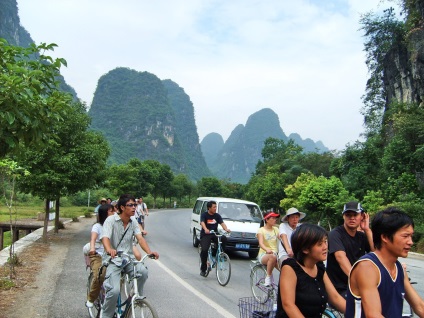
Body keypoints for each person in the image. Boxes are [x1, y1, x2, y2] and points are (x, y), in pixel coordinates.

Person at [346, 207, 424, 317]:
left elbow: (420, 306)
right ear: (385, 237)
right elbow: (373, 315)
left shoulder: (399, 268)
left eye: (411, 236)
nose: (410, 242)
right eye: (405, 236)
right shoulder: (367, 267)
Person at [100, 194, 159, 318]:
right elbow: (105, 237)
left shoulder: (133, 222)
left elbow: (140, 239)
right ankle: (105, 315)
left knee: (142, 271)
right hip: (113, 260)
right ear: (122, 207)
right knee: (114, 291)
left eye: (135, 205)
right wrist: (109, 249)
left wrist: (149, 252)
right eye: (130, 205)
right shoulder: (111, 220)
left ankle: (136, 297)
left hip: (128, 259)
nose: (134, 207)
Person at [276, 224, 346, 317]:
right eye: (320, 244)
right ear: (305, 249)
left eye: (325, 241)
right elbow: (289, 305)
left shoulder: (319, 267)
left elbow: (335, 298)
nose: (325, 247)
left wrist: (358, 314)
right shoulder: (290, 267)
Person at [326, 201, 374, 297]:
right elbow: (340, 257)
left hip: (357, 285)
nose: (352, 218)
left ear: (362, 216)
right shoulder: (335, 234)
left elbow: (375, 254)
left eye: (355, 215)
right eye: (348, 215)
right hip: (339, 288)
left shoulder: (361, 236)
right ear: (343, 216)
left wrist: (367, 230)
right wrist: (356, 279)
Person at [85, 204, 114, 308]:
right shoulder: (97, 226)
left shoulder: (114, 225)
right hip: (98, 255)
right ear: (105, 213)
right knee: (100, 275)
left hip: (111, 255)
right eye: (111, 211)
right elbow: (92, 239)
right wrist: (92, 249)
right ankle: (91, 298)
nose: (114, 213)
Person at [199, 200, 231, 277]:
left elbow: (222, 223)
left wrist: (226, 229)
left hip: (214, 233)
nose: (215, 208)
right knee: (204, 250)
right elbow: (202, 222)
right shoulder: (204, 215)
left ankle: (221, 254)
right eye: (214, 207)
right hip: (206, 234)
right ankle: (203, 269)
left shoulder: (217, 216)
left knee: (223, 238)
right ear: (209, 208)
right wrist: (206, 229)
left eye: (216, 207)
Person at [257, 211, 280, 286]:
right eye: (273, 218)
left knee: (285, 269)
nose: (275, 220)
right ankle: (268, 277)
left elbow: (282, 239)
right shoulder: (261, 230)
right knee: (272, 257)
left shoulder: (276, 229)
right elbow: (261, 243)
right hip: (264, 254)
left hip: (275, 254)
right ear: (267, 220)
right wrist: (267, 249)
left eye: (275, 218)